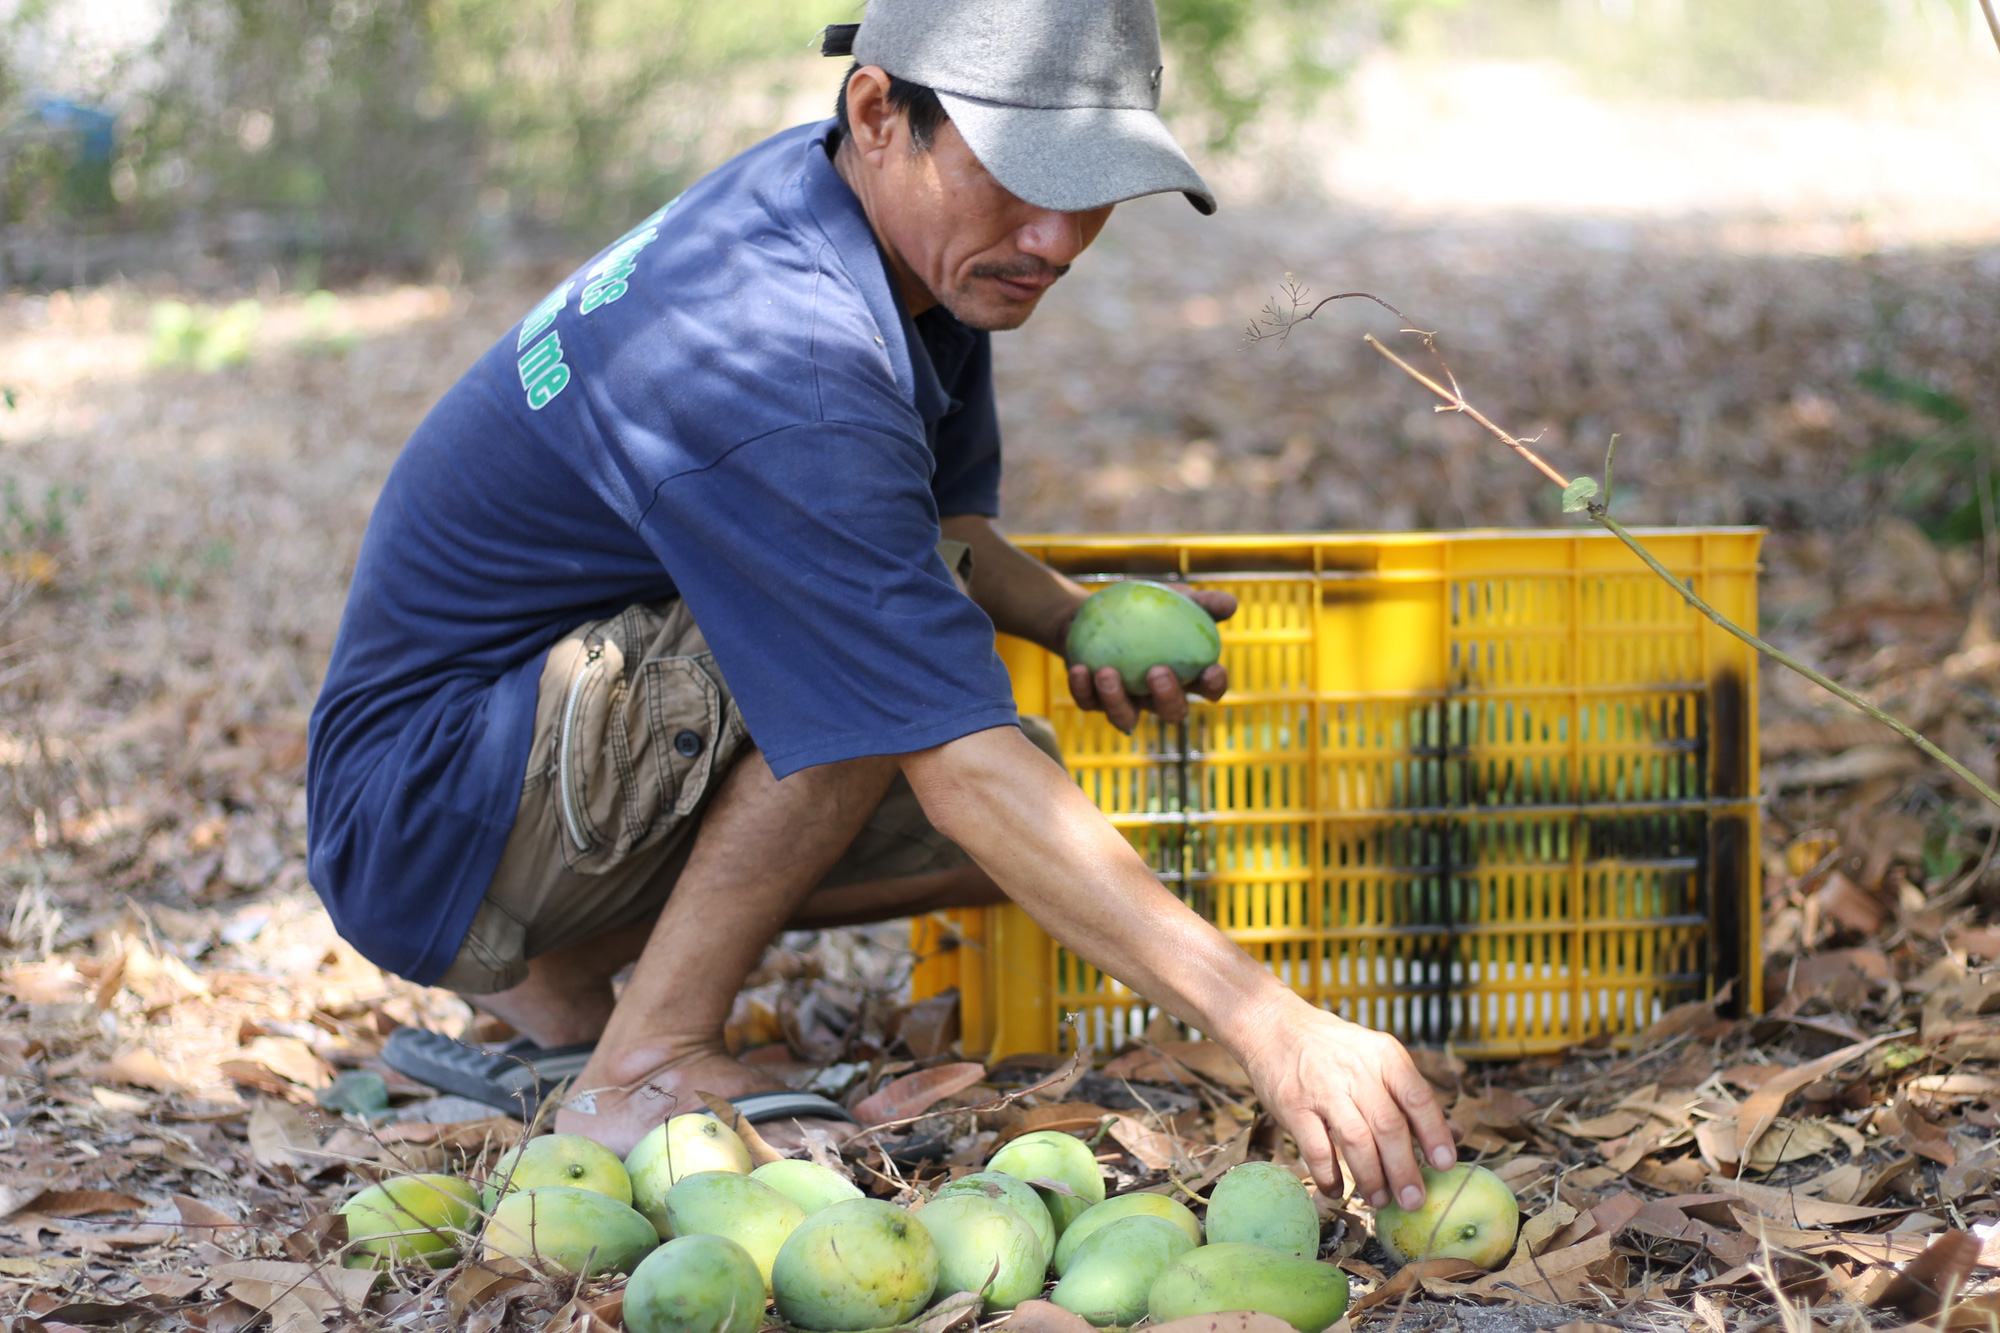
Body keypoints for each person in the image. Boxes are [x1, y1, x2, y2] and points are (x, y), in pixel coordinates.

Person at [306, 0, 1456, 1214]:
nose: (1057, 237)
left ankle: (556, 979)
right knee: (908, 692)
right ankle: (638, 1067)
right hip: (430, 803)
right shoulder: (785, 343)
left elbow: (937, 530)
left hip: (490, 786)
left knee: (977, 758)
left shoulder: (896, 248)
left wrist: (1072, 619)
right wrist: (1270, 1027)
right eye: (1022, 175)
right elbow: (935, 702)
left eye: (1095, 188)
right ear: (877, 112)